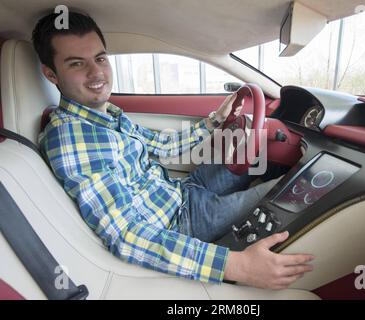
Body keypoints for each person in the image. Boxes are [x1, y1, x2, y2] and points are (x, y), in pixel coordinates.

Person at [34, 10, 314, 290]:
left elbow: (161, 145)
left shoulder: (107, 116)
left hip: (182, 191)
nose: (96, 72)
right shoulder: (70, 136)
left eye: (100, 58)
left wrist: (215, 120)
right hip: (181, 224)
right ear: (51, 74)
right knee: (284, 190)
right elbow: (127, 234)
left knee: (255, 154)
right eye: (76, 63)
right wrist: (236, 266)